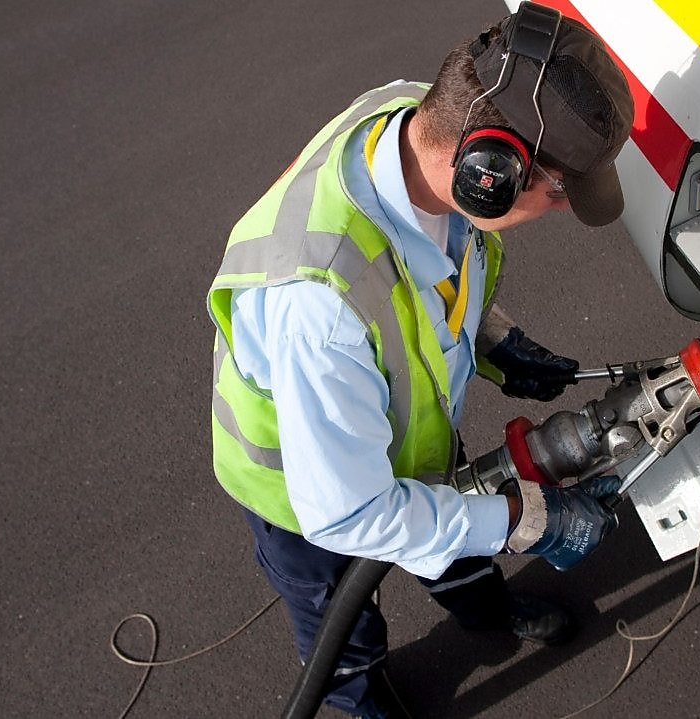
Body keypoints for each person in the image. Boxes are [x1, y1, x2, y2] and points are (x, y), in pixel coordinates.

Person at [205, 4, 634, 716]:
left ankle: (485, 608)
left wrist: (495, 339)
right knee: (344, 623)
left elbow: (429, 270)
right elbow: (353, 515)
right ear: (488, 171)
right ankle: (356, 699)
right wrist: (527, 520)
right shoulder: (317, 308)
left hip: (405, 424)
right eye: (558, 190)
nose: (561, 208)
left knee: (455, 525)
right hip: (309, 494)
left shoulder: (411, 122)